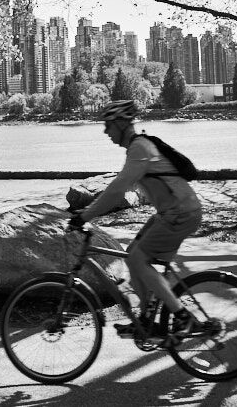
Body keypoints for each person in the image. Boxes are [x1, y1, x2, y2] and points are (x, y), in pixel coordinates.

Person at [69, 99, 204, 339]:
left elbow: (116, 190)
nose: (106, 131)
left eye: (108, 125)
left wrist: (84, 216)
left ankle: (184, 317)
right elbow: (118, 188)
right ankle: (146, 319)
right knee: (132, 256)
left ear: (121, 124)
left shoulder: (140, 148)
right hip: (171, 213)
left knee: (138, 259)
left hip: (181, 212)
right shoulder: (137, 147)